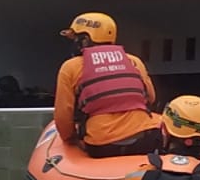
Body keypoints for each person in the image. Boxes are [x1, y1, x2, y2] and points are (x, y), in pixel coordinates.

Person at [54, 12, 162, 158]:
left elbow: (63, 117)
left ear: (85, 40)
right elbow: (151, 97)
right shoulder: (134, 61)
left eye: (76, 38)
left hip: (101, 144)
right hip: (143, 139)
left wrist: (71, 140)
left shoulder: (70, 67)